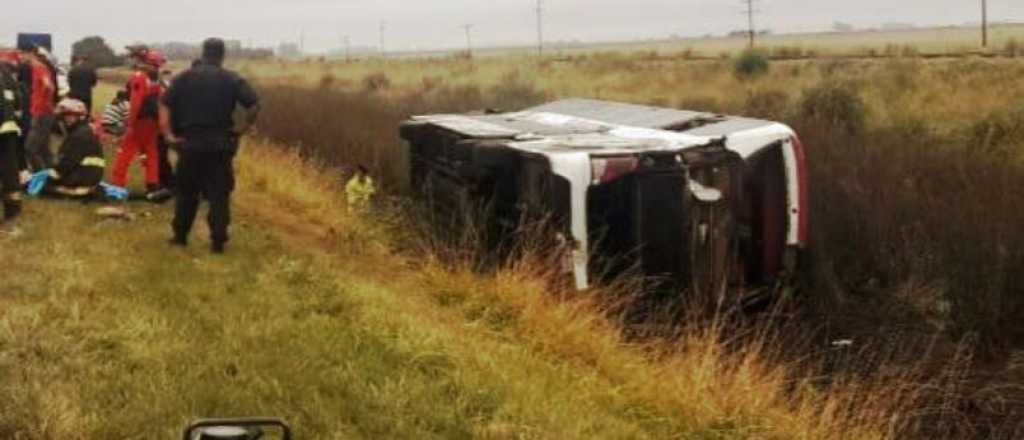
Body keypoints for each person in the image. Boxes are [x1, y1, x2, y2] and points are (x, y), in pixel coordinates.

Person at [161, 38, 260, 253]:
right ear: (222, 55)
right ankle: (217, 241)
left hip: (190, 143)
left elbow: (165, 103)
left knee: (186, 192)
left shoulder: (183, 78)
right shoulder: (232, 79)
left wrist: (168, 134)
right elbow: (253, 105)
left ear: (203, 53)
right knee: (219, 195)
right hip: (220, 144)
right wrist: (240, 130)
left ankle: (180, 237)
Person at [110, 49, 171, 202]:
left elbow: (136, 103)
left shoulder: (139, 78)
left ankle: (117, 186)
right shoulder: (157, 79)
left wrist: (129, 124)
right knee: (152, 153)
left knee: (125, 152)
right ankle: (152, 185)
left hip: (140, 122)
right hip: (153, 122)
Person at [36, 98, 105, 197]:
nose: (67, 119)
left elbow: (66, 163)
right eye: (66, 116)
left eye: (72, 116)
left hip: (82, 179)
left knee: (47, 191)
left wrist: (49, 179)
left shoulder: (78, 135)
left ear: (80, 117)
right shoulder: (83, 131)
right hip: (88, 176)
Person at [0, 50, 25, 230]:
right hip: (9, 129)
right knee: (10, 173)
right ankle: (12, 217)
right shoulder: (7, 73)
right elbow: (18, 100)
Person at [22, 46, 56, 171]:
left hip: (41, 113)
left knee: (30, 148)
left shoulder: (39, 67)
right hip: (42, 112)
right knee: (44, 148)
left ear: (31, 54)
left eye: (23, 54)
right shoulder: (39, 67)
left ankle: (38, 174)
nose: (21, 57)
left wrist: (43, 103)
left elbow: (48, 85)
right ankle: (51, 173)